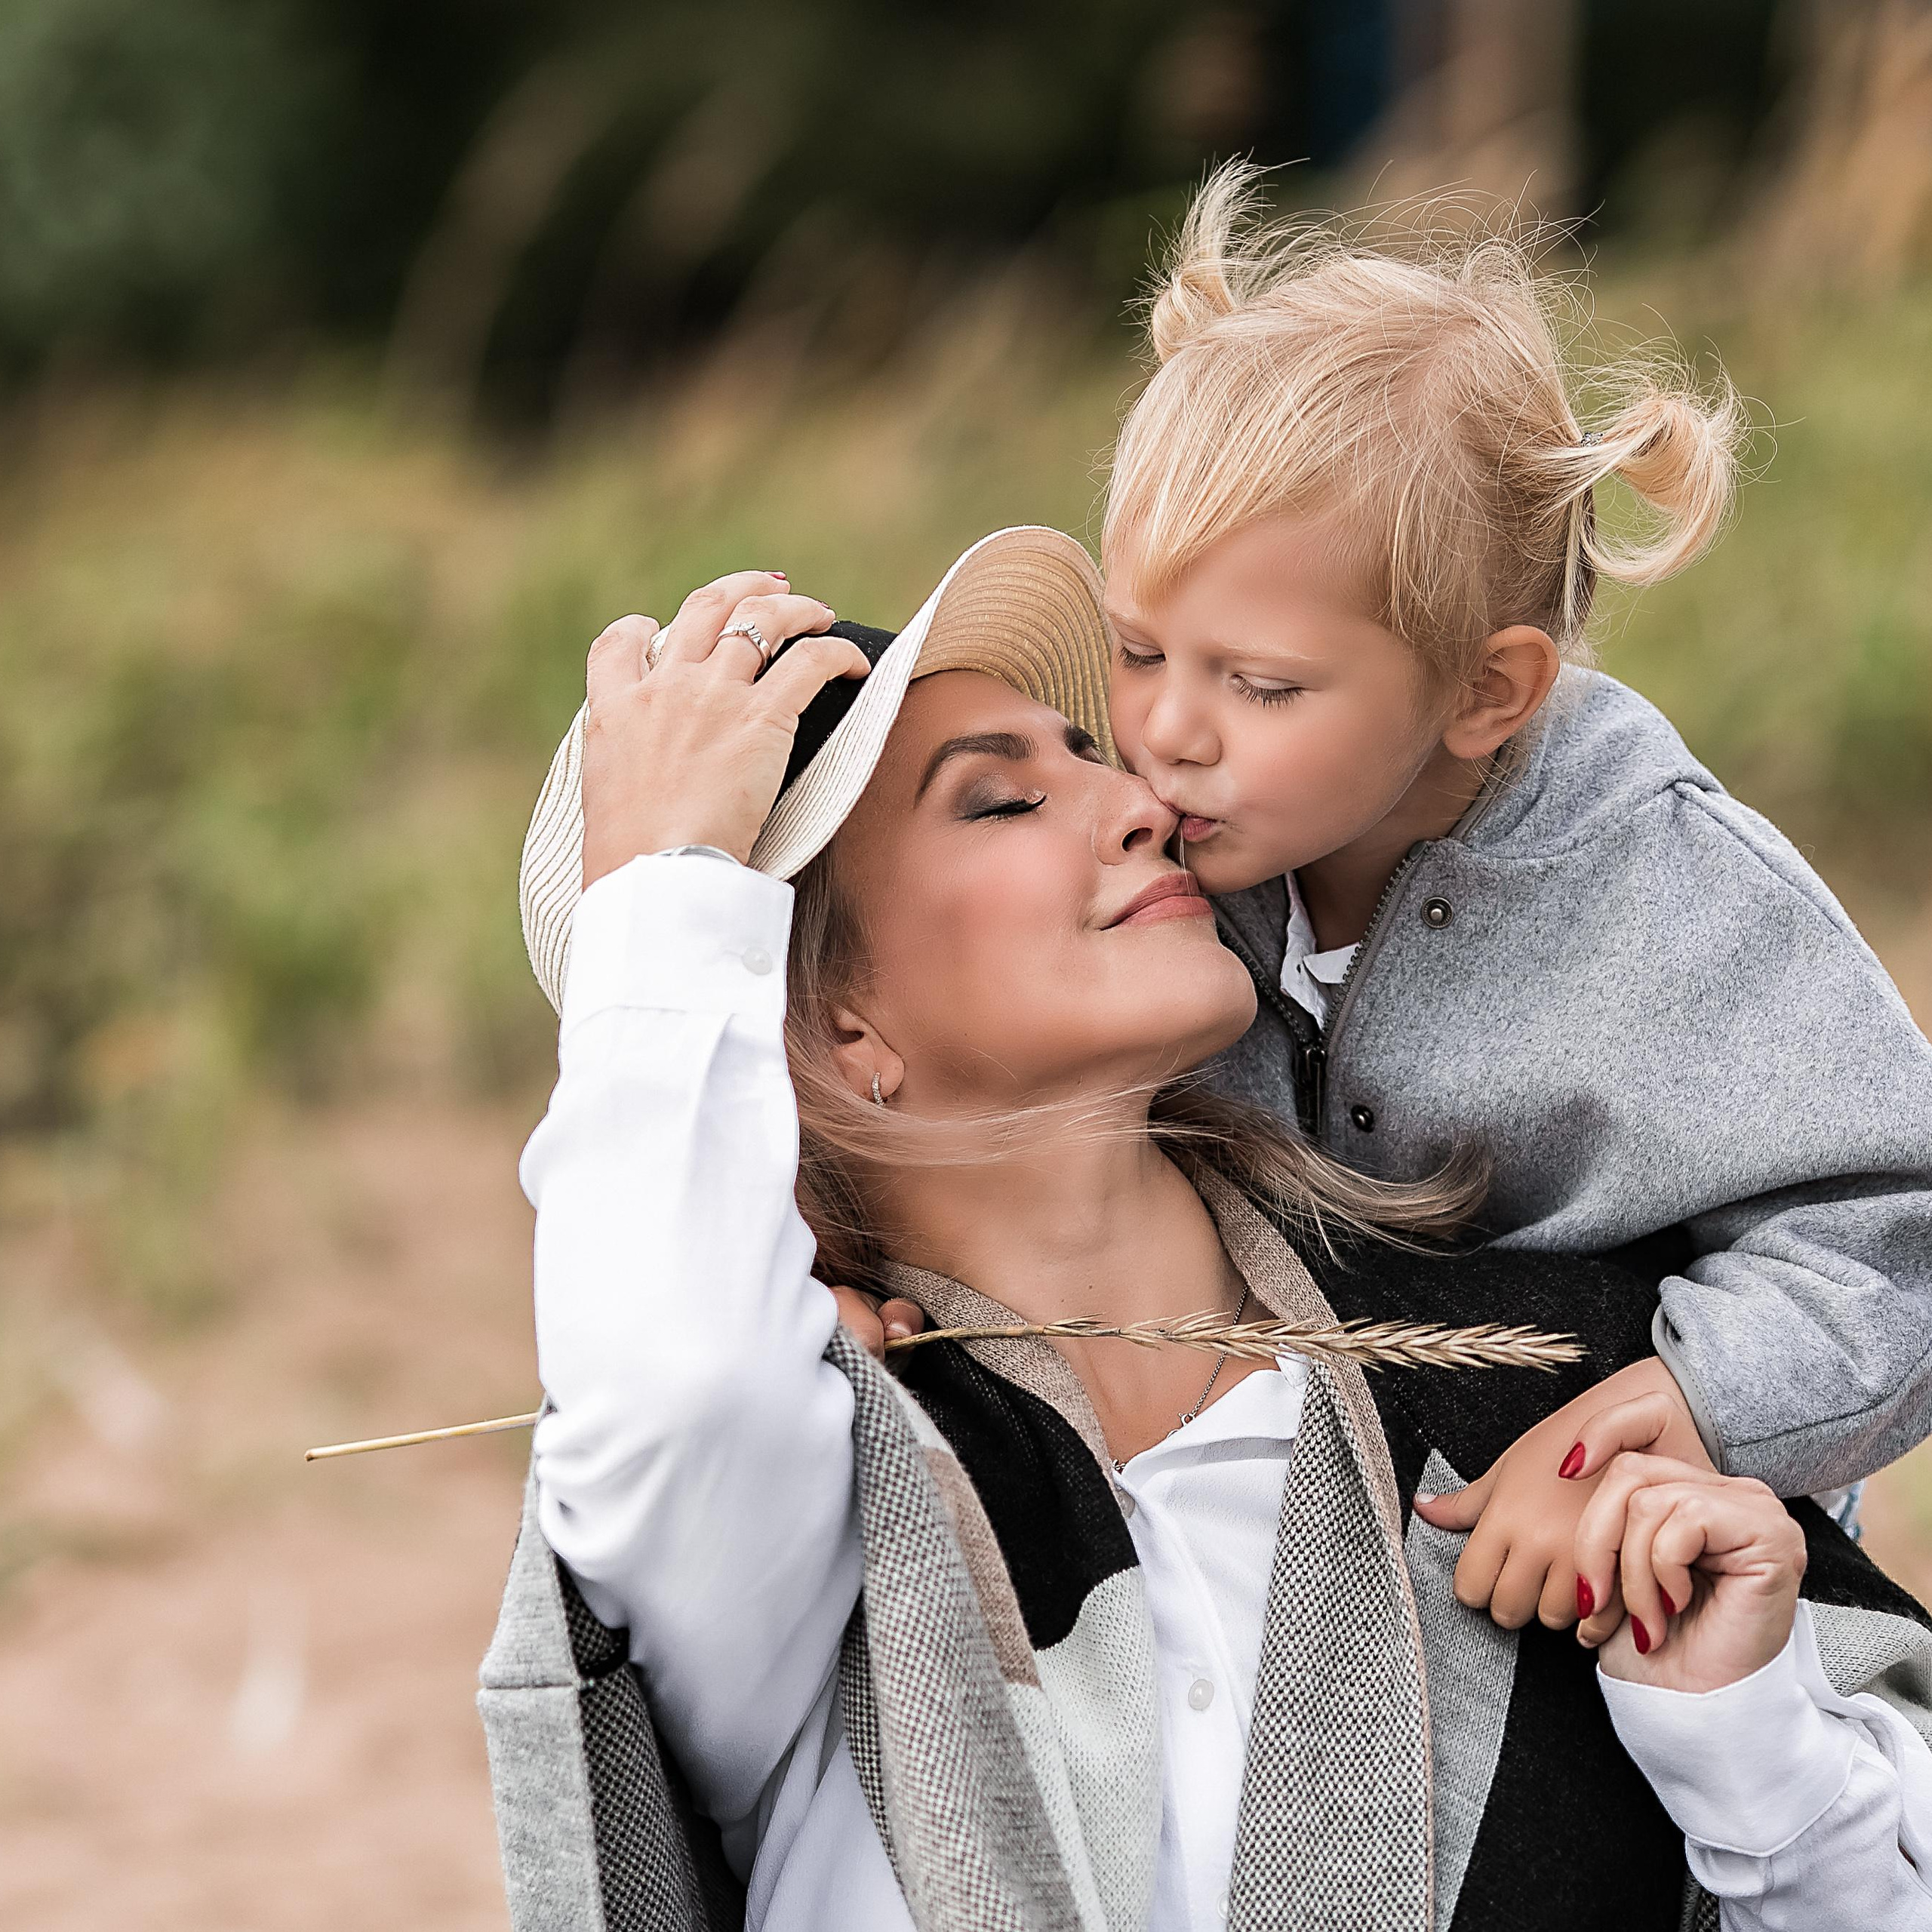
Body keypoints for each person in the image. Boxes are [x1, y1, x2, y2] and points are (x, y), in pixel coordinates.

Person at [483, 530, 1932, 1932]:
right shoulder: (819, 1505)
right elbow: (671, 1385)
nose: (1140, 805)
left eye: (1090, 756)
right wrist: (668, 882)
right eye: (999, 802)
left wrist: (1753, 1751)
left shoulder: (1562, 1392)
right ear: (831, 1027)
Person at [1085, 164, 1932, 1635]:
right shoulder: (1144, 833)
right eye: (1136, 649)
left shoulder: (1665, 894)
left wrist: (1659, 1414)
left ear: (1487, 688)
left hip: (1633, 1603)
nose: (1165, 728)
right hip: (1285, 1573)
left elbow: (1895, 1236)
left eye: (1259, 684)